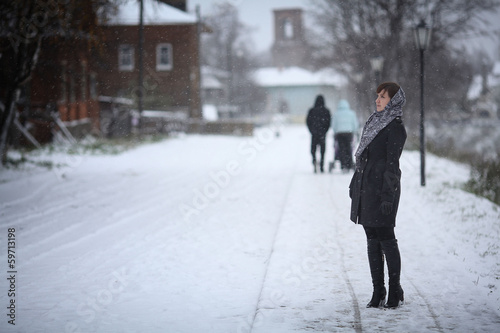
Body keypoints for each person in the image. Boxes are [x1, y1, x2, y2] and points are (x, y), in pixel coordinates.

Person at [349, 82, 407, 309]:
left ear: (393, 100)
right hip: (366, 189)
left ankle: (394, 290)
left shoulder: (395, 127)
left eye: (382, 96)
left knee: (387, 239)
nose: (378, 100)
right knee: (372, 239)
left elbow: (392, 165)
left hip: (383, 189)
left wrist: (387, 197)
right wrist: (355, 184)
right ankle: (378, 290)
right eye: (378, 96)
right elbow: (364, 158)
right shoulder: (374, 122)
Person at [331, 99, 359, 172]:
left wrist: (335, 131)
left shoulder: (336, 114)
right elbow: (355, 123)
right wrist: (354, 131)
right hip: (349, 133)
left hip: (340, 133)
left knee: (341, 149)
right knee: (349, 148)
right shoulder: (351, 113)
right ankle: (349, 164)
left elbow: (333, 125)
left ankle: (343, 165)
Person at [306, 95, 331, 173]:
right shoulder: (326, 111)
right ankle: (322, 166)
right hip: (322, 134)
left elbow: (308, 121)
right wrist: (325, 131)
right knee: (322, 150)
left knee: (313, 150)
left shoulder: (311, 110)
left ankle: (314, 161)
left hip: (314, 133)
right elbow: (329, 122)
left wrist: (311, 130)